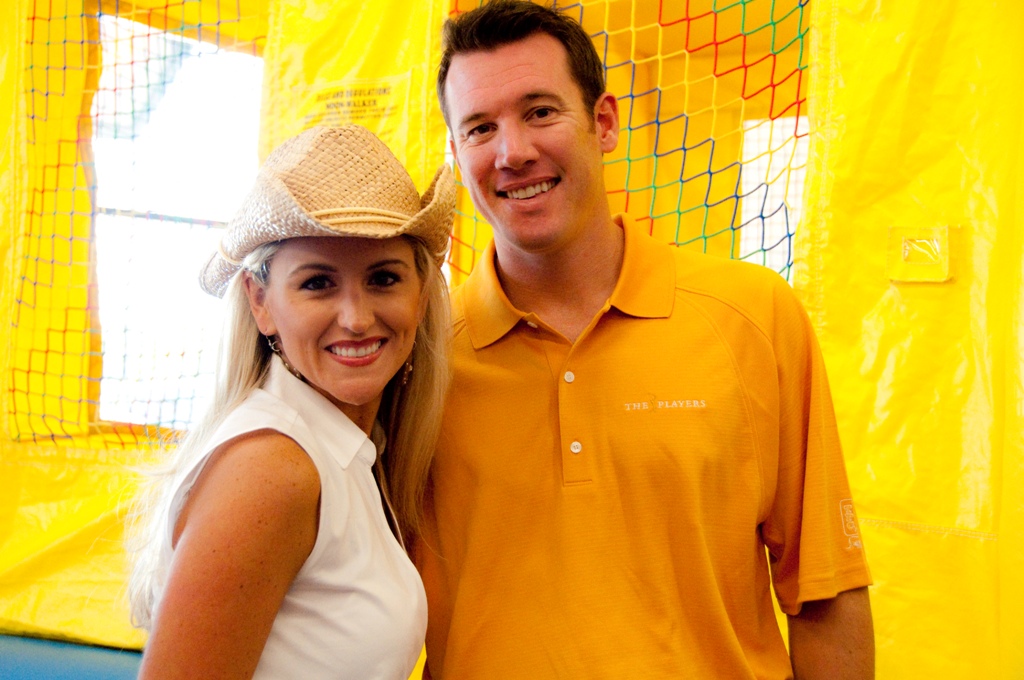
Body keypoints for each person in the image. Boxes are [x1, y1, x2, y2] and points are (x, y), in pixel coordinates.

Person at [412, 1, 875, 678]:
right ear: (457, 155)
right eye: (481, 127)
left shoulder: (754, 316)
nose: (513, 152)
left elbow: (825, 590)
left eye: (540, 112)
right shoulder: (421, 359)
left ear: (603, 123)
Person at [128, 124, 455, 680]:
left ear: (420, 296)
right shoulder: (273, 469)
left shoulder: (347, 450)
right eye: (317, 283)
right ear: (261, 303)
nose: (356, 318)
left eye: (383, 278)